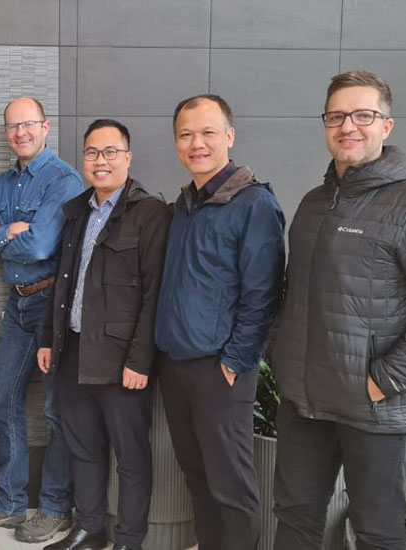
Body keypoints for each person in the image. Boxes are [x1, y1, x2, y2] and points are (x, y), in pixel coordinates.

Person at [270, 70, 406, 550]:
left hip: (374, 406)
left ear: (385, 125)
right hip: (305, 401)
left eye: (363, 114)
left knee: (380, 532)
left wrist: (384, 380)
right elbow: (289, 290)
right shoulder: (312, 203)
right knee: (295, 519)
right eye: (337, 116)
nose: (349, 125)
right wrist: (280, 353)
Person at [154, 95, 286, 550]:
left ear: (229, 136)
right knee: (197, 477)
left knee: (230, 487)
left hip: (221, 371)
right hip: (177, 365)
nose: (197, 143)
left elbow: (264, 294)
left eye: (208, 132)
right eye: (186, 135)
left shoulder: (253, 204)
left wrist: (235, 361)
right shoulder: (187, 202)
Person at [37, 119, 171, 550]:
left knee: (130, 457)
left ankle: (130, 540)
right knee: (83, 448)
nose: (101, 161)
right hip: (74, 349)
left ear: (127, 159)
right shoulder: (77, 211)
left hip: (121, 359)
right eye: (93, 152)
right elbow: (61, 280)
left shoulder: (150, 213)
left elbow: (155, 293)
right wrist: (46, 337)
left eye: (110, 152)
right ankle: (90, 529)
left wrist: (140, 360)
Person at [0, 97, 83, 543]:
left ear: (46, 127)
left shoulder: (62, 180)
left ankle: (54, 507)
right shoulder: (6, 182)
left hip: (53, 305)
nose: (20, 133)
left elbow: (38, 248)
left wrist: (7, 234)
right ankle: (10, 501)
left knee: (55, 411)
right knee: (1, 400)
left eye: (28, 124)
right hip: (17, 304)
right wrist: (6, 234)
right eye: (13, 127)